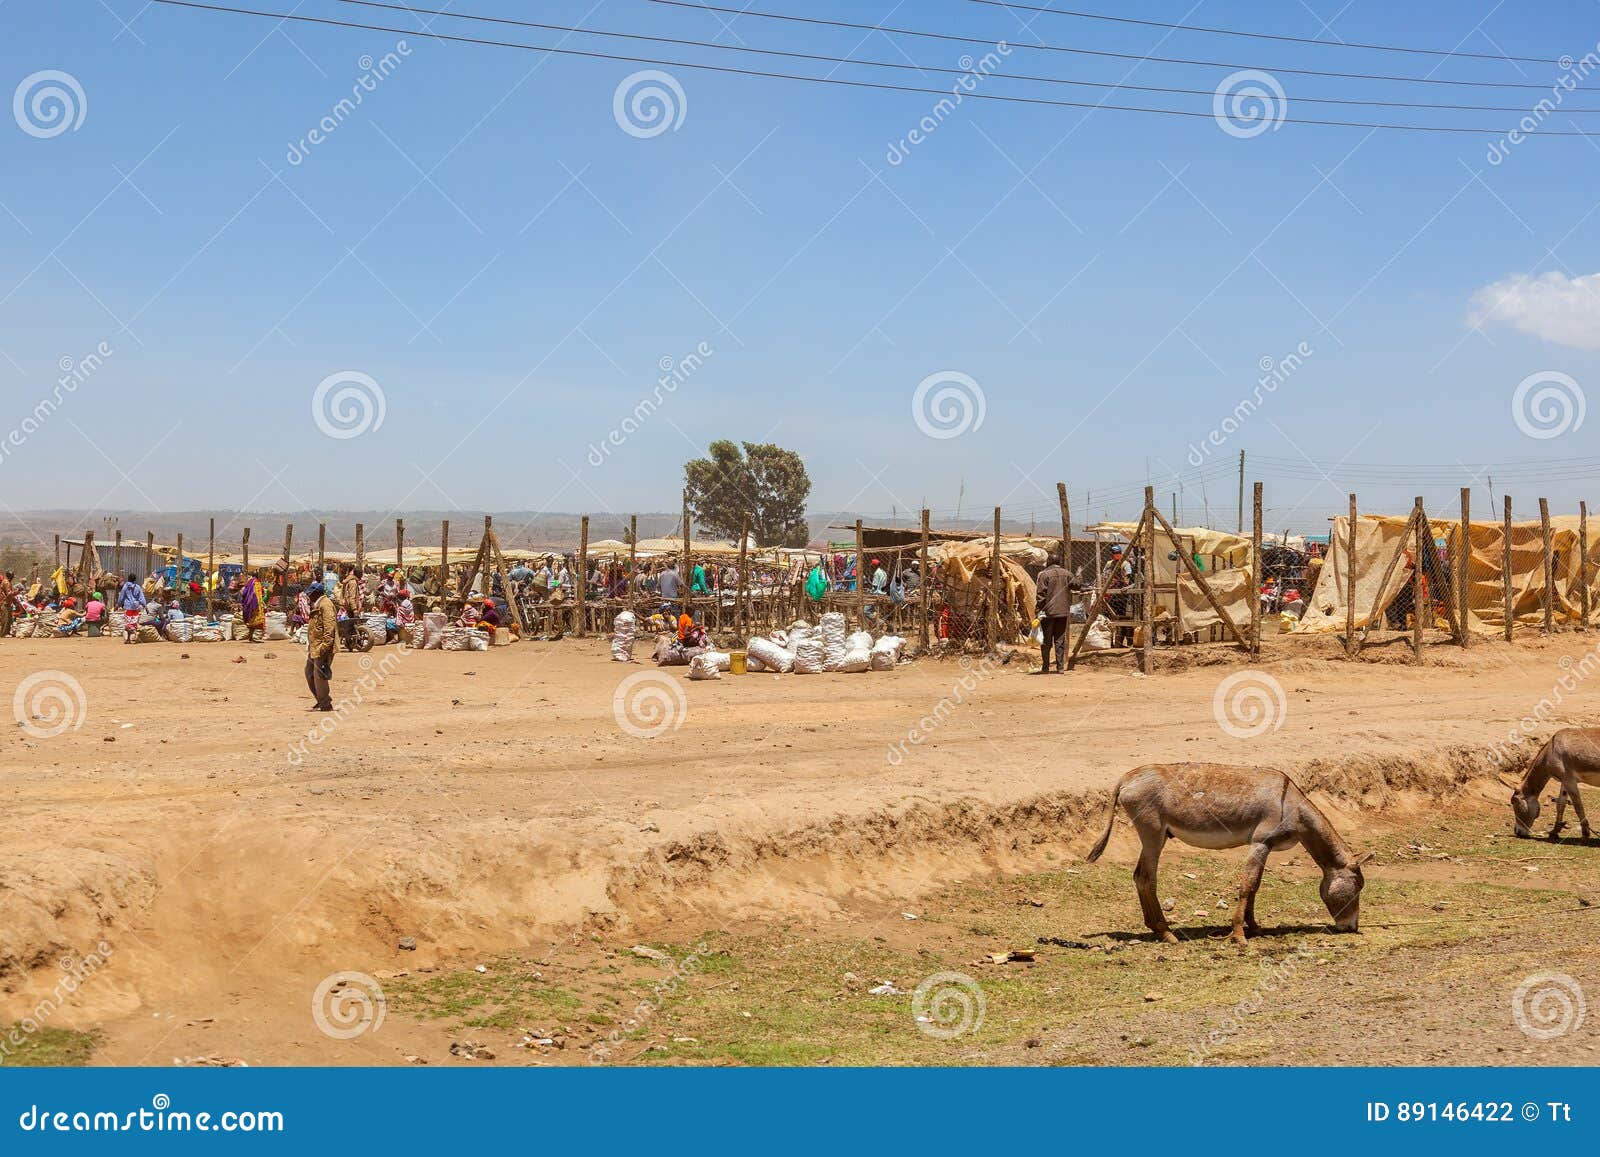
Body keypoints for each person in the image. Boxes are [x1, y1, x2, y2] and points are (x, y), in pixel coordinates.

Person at [1034, 550, 1074, 673]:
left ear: (1049, 561)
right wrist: (1079, 575)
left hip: (1048, 613)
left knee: (1046, 640)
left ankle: (1045, 666)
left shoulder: (1044, 575)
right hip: (1063, 612)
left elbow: (1041, 595)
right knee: (1060, 639)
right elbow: (1077, 585)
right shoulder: (1067, 574)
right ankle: (1060, 667)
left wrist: (1038, 611)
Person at [304, 583, 336, 711]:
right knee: (309, 672)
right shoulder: (318, 604)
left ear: (316, 593)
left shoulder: (326, 604)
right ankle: (320, 699)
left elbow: (330, 625)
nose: (308, 596)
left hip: (322, 646)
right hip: (315, 646)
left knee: (319, 675)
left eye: (310, 594)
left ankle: (325, 703)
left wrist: (325, 646)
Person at [117, 572, 146, 643]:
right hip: (136, 608)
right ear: (135, 579)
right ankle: (131, 638)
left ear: (128, 579)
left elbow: (121, 597)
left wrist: (118, 605)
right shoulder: (138, 587)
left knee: (128, 623)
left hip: (128, 607)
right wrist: (144, 605)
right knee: (133, 622)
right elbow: (141, 598)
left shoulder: (125, 587)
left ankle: (129, 638)